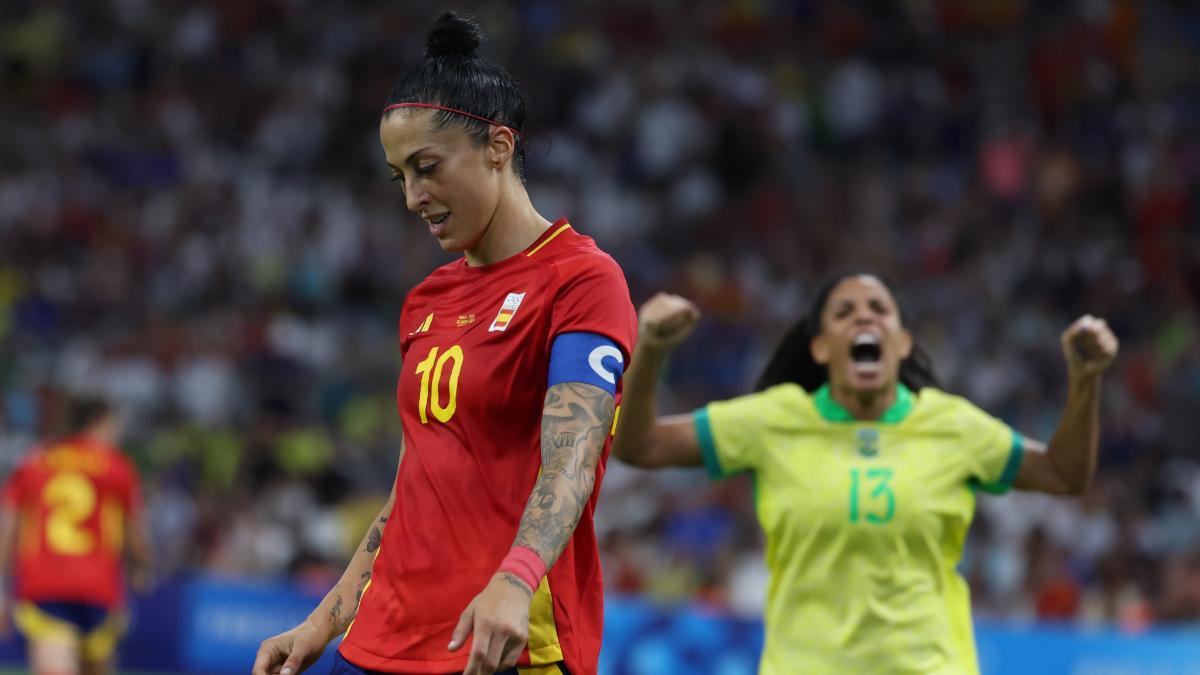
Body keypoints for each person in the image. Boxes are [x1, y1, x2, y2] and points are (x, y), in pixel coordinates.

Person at [253, 12, 636, 675]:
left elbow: (574, 457)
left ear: (497, 146)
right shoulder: (426, 301)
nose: (412, 197)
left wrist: (515, 579)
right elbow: (413, 484)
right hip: (390, 637)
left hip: (504, 641)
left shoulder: (581, 280)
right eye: (399, 175)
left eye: (426, 168)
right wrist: (328, 615)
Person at [612, 272, 1119, 674]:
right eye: (844, 312)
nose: (864, 318)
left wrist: (1085, 381)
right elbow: (641, 445)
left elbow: (1062, 474)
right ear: (820, 348)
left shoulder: (952, 425)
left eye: (879, 310)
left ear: (900, 343)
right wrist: (651, 350)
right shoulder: (773, 420)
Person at [0, 395, 152, 675]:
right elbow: (137, 533)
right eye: (114, 426)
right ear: (98, 423)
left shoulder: (36, 461)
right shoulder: (117, 466)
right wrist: (142, 567)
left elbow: (8, 525)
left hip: (44, 584)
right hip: (100, 587)